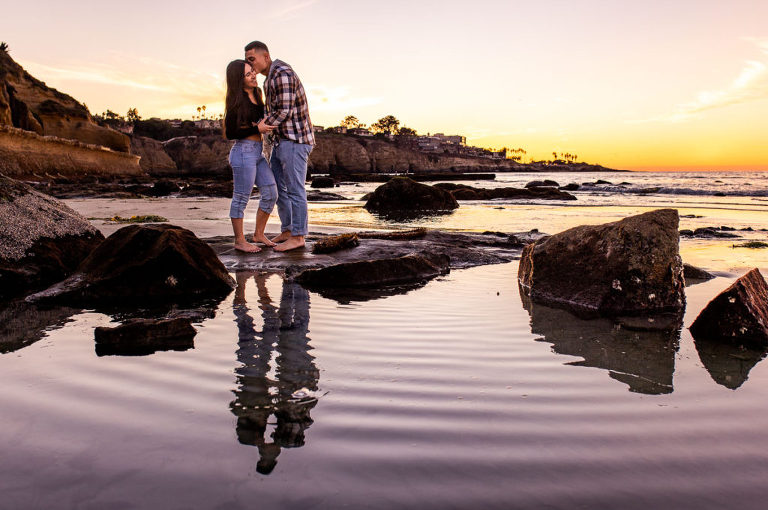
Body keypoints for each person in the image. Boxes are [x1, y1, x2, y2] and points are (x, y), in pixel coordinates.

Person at [245, 41, 315, 252]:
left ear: (265, 56)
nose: (250, 64)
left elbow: (284, 111)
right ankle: (288, 229)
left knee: (295, 189)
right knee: (278, 187)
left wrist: (260, 126)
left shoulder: (282, 73)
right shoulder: (270, 78)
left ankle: (299, 236)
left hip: (295, 141)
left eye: (252, 59)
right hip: (281, 140)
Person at [224, 58, 278, 253]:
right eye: (248, 74)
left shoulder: (258, 93)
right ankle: (239, 241)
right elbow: (231, 133)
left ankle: (258, 234)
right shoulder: (236, 102)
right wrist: (258, 128)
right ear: (238, 79)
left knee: (271, 192)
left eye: (252, 71)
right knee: (240, 198)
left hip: (258, 153)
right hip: (243, 153)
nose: (253, 75)